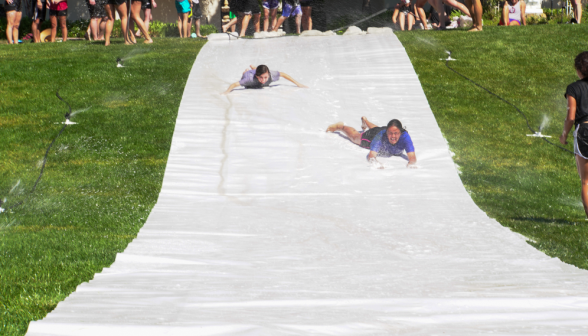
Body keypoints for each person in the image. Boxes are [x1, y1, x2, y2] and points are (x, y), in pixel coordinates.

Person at [326, 117, 417, 168]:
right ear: (386, 132)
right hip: (372, 136)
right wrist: (376, 164)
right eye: (390, 133)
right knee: (355, 138)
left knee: (377, 129)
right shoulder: (380, 137)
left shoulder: (405, 138)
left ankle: (365, 121)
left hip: (380, 130)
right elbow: (371, 156)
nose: (393, 136)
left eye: (396, 133)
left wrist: (411, 164)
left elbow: (412, 157)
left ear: (401, 132)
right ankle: (341, 127)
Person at [560, 51, 588, 218]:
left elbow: (571, 117)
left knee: (586, 181)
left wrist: (564, 134)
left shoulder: (574, 88)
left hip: (584, 130)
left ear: (578, 69)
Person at [222, 64, 307, 94]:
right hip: (248, 75)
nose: (263, 80)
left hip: (257, 71)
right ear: (256, 76)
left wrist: (298, 84)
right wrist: (226, 92)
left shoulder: (270, 74)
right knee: (245, 76)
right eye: (261, 78)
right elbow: (234, 84)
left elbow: (283, 74)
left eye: (265, 77)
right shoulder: (249, 79)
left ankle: (254, 68)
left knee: (260, 71)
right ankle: (247, 70)